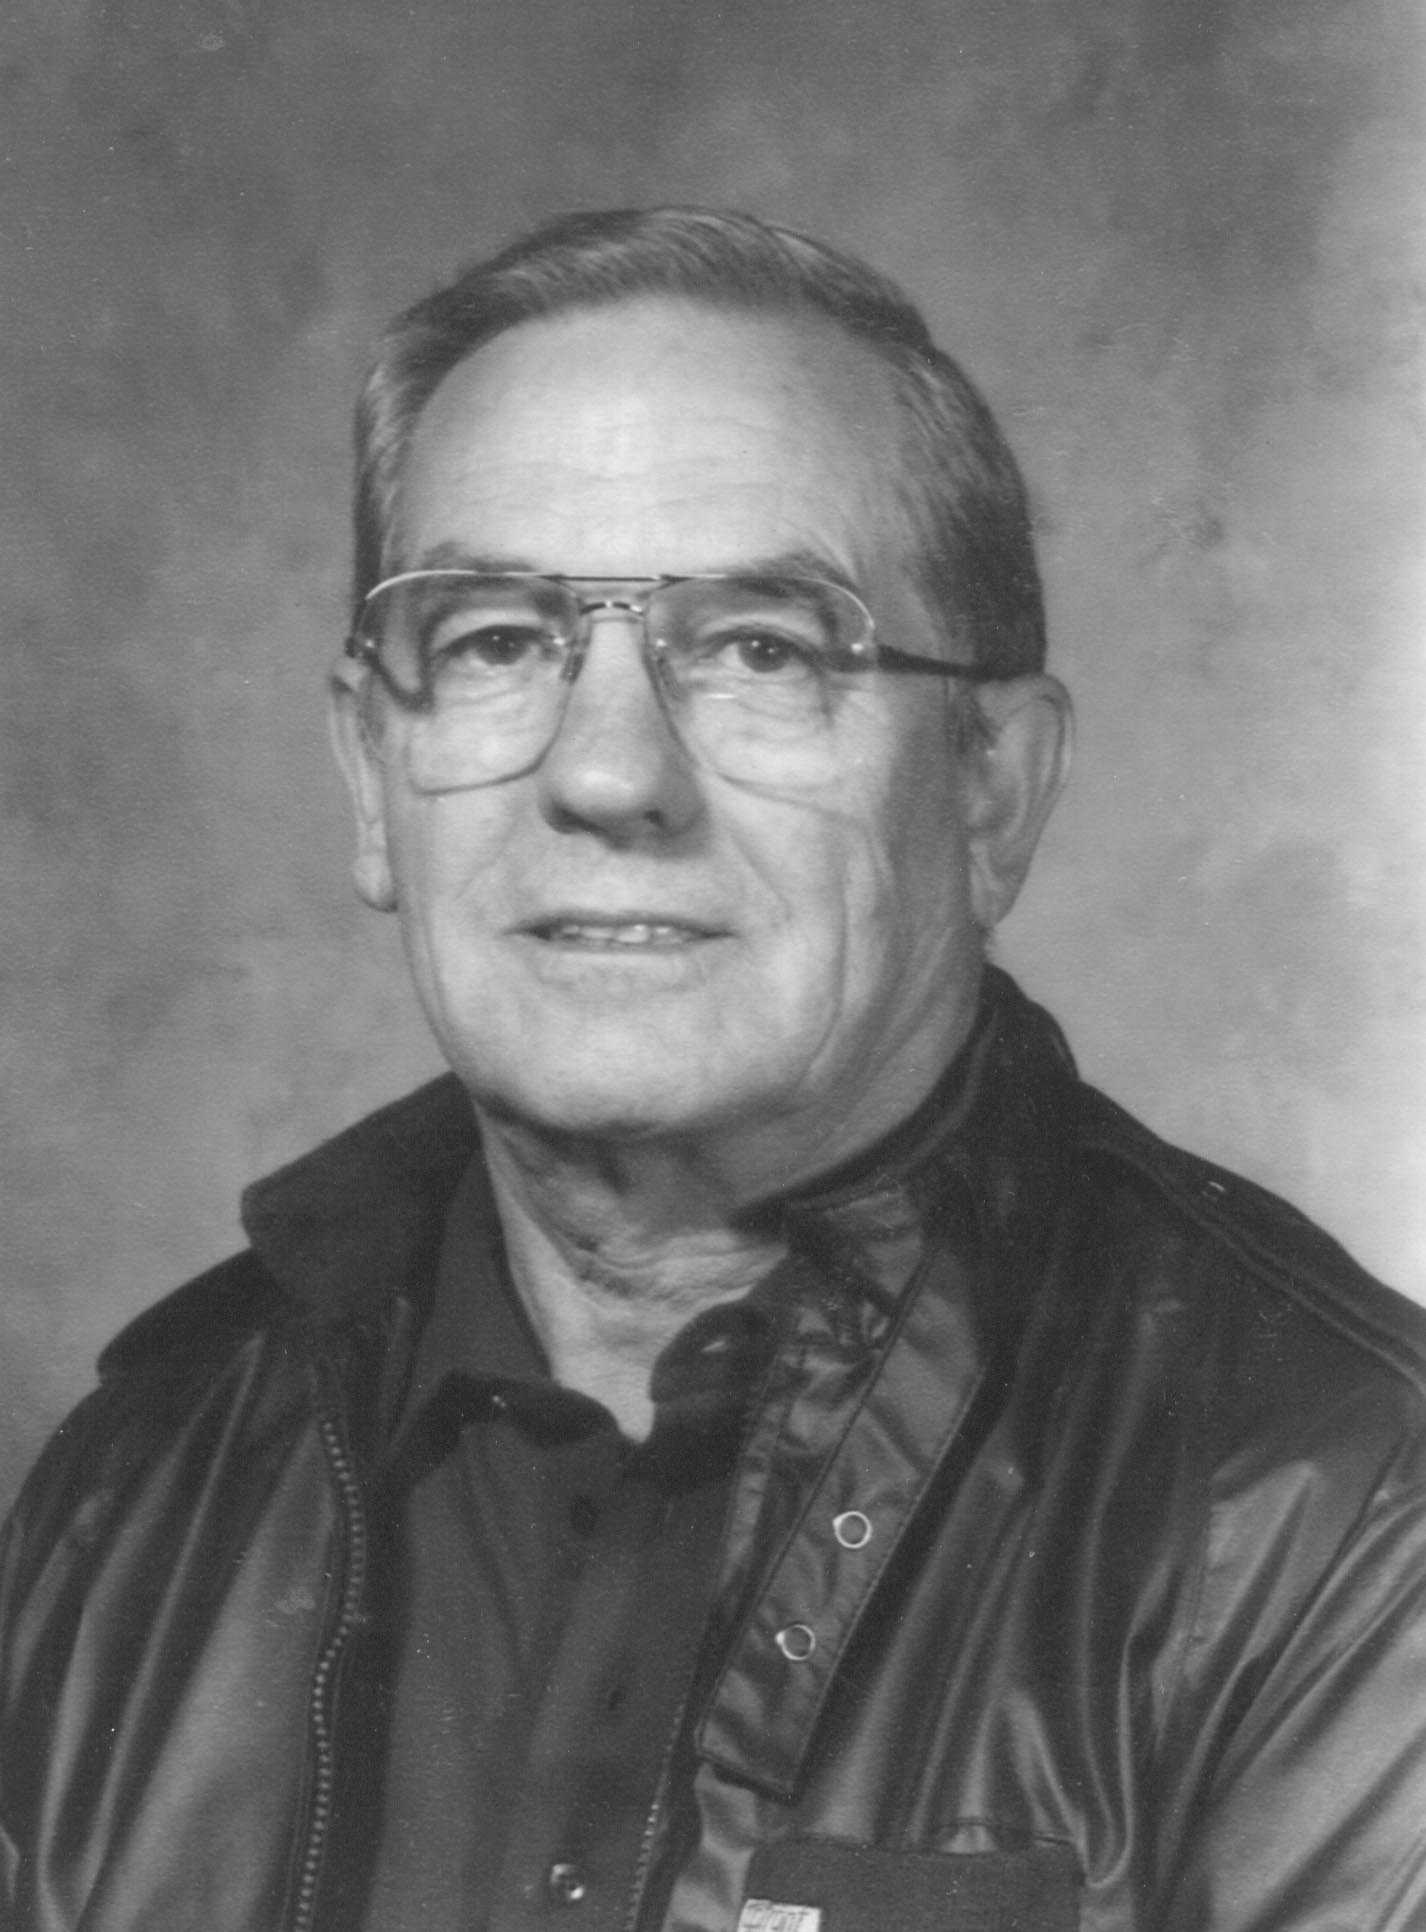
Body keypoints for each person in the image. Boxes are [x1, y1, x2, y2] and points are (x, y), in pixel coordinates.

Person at [1, 207, 1423, 1932]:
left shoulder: (1342, 1521)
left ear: (992, 789)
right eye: (496, 642)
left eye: (761, 646)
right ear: (375, 780)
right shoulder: (128, 1497)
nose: (607, 776)